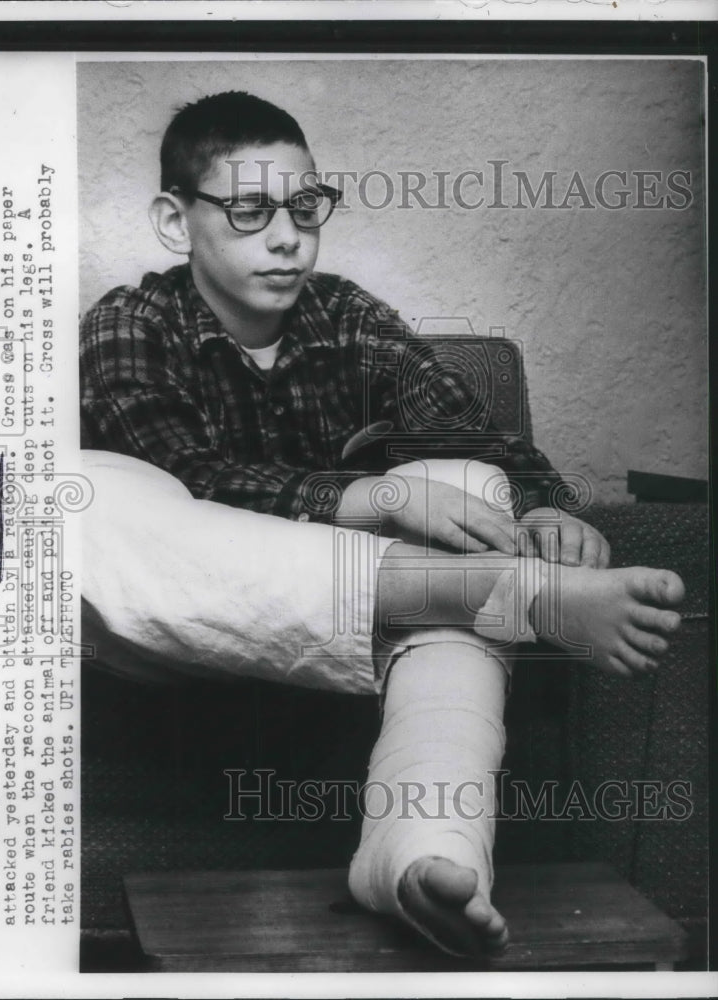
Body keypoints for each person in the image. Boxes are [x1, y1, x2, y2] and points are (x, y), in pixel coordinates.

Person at [80, 92, 684, 958]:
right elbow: (194, 479)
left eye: (305, 208)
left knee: (466, 480)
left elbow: (475, 435)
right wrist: (377, 500)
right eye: (249, 211)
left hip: (371, 622)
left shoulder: (346, 317)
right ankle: (511, 596)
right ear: (175, 221)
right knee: (78, 495)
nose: (287, 237)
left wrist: (544, 500)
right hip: (175, 619)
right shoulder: (128, 324)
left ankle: (421, 853)